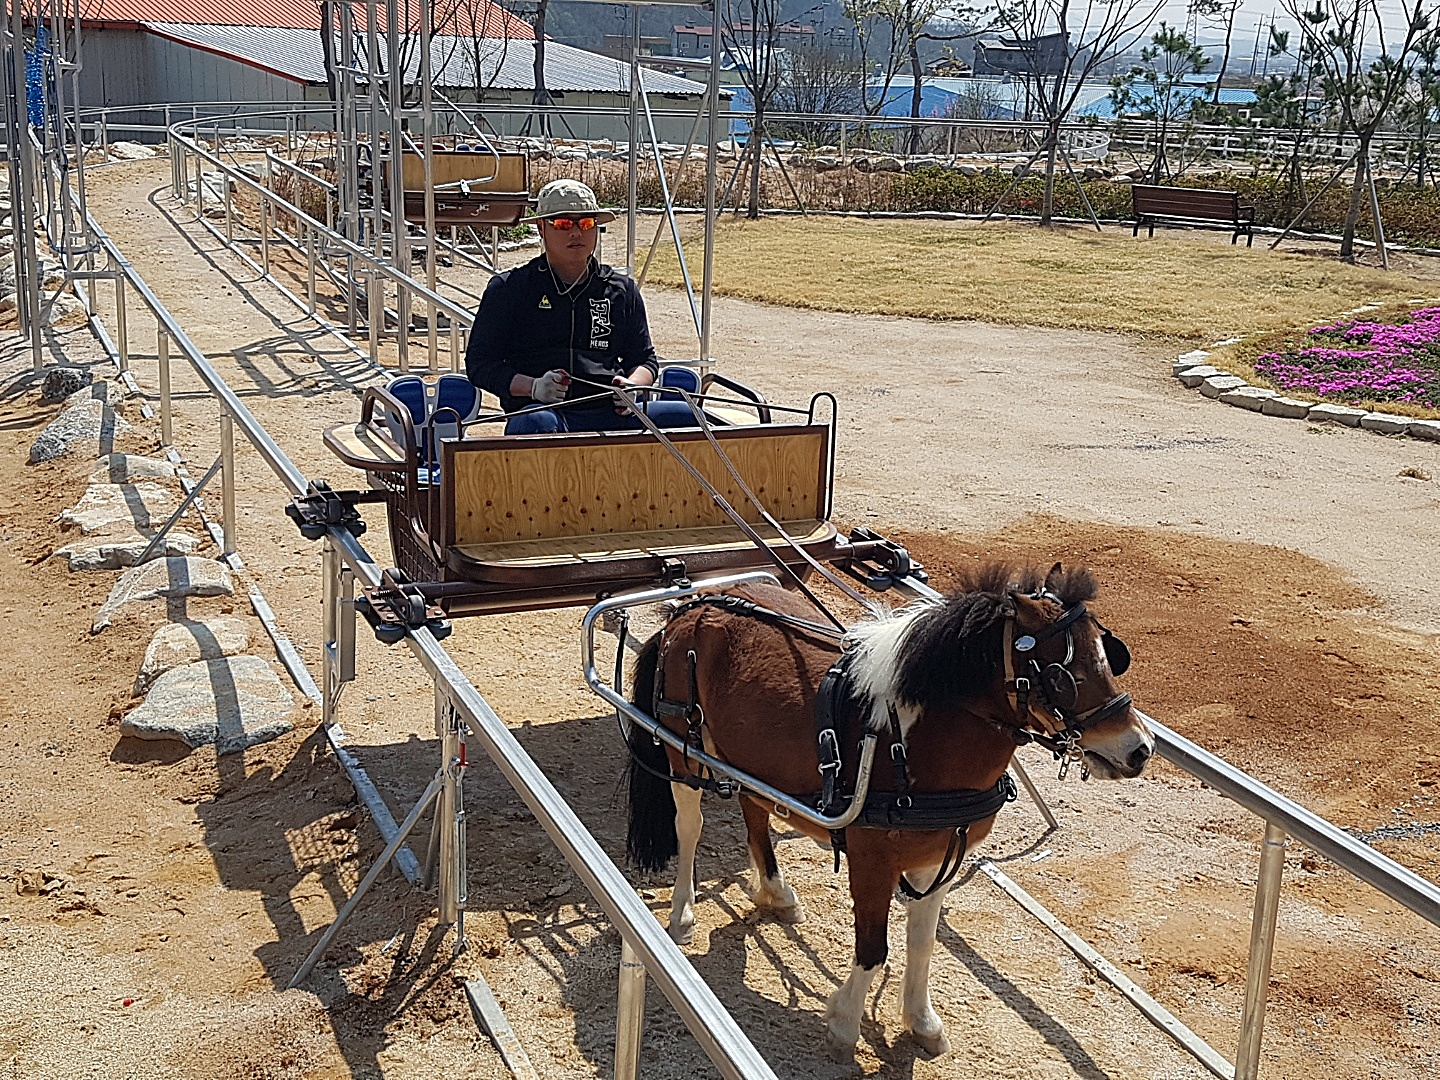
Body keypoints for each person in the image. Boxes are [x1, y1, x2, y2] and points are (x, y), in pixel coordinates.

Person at [464, 179, 698, 435]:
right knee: (536, 424)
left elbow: (644, 359)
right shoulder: (510, 288)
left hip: (613, 412)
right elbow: (480, 364)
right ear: (541, 228)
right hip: (544, 412)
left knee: (690, 416)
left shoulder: (621, 290)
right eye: (563, 224)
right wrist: (532, 387)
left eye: (585, 223)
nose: (576, 233)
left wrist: (633, 385)